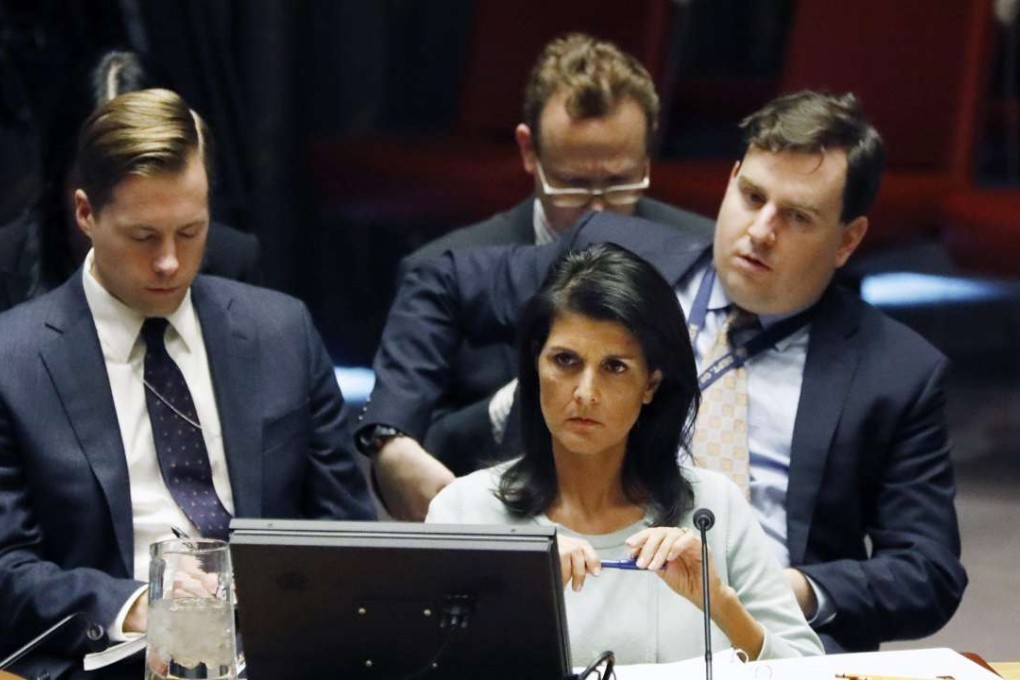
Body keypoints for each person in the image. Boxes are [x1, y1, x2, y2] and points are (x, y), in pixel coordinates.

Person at [358, 90, 967, 652]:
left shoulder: (896, 372)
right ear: (729, 182)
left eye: (798, 217)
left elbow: (928, 572)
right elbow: (438, 278)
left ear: (847, 240)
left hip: (765, 629)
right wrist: (392, 438)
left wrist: (770, 587)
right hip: (565, 590)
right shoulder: (618, 255)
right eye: (752, 197)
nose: (760, 231)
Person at [0, 89, 375, 678]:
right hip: (109, 658)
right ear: (84, 215)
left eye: (192, 231)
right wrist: (135, 602)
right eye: (144, 237)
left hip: (278, 650)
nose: (171, 262)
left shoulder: (281, 331)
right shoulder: (12, 361)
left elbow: (350, 531)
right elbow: (6, 565)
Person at [426, 243, 823, 664]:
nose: (585, 393)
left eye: (615, 367)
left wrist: (720, 603)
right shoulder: (464, 513)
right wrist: (517, 598)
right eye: (565, 360)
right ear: (534, 365)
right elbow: (419, 668)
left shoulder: (713, 508)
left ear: (651, 383)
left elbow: (811, 671)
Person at [367, 34, 714, 506]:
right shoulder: (444, 268)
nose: (599, 209)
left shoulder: (700, 248)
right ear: (529, 152)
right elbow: (407, 435)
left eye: (619, 182)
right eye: (573, 184)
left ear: (648, 150)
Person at [0, 49, 261, 314]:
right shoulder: (7, 265)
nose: (120, 211)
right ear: (61, 182)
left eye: (143, 187)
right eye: (98, 184)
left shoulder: (232, 261)